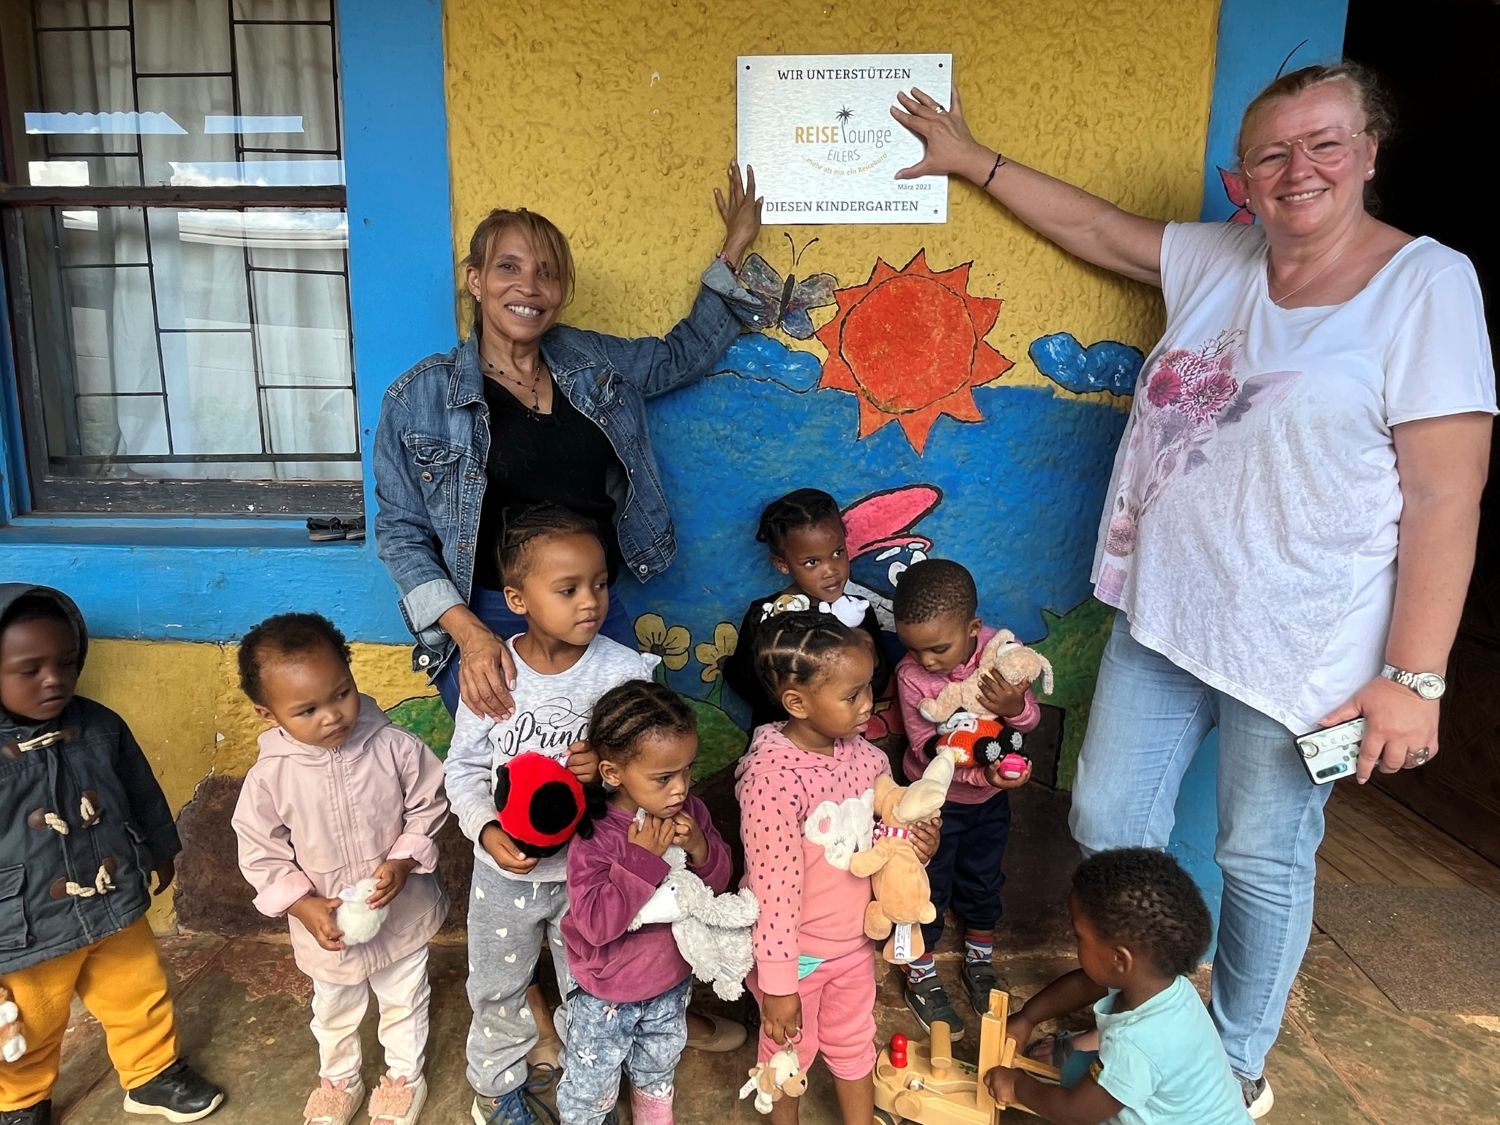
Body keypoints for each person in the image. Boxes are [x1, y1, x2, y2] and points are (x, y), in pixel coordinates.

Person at [892, 62, 1495, 1117]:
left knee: (1260, 852)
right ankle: (1140, 1000)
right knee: (1112, 815)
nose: (1298, 168)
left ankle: (1237, 1059)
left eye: (1324, 143)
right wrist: (971, 160)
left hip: (1304, 642)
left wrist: (1418, 677)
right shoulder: (1225, 256)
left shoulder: (1426, 285)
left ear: (1368, 153)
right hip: (1163, 611)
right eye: (1273, 152)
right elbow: (1102, 231)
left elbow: (1449, 494)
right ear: (1241, 178)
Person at [374, 165, 763, 722]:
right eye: (508, 267)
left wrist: (734, 249)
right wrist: (469, 635)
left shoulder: (591, 362)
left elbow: (680, 357)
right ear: (476, 279)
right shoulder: (420, 398)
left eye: (547, 274)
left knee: (625, 755)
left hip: (592, 609)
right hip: (487, 615)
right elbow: (401, 532)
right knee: (514, 779)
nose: (529, 287)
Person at [443, 504, 663, 1125]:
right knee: (495, 987)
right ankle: (495, 1086)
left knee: (592, 986)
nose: (589, 601)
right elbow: (461, 770)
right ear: (518, 598)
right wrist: (486, 831)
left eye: (598, 584)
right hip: (503, 877)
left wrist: (608, 772)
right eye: (567, 589)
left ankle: (586, 1083)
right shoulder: (492, 674)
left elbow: (650, 771)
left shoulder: (621, 672)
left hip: (589, 875)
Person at [0, 585, 223, 1125]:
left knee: (138, 989)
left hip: (111, 894)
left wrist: (161, 850)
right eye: (30, 669)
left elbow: (141, 792)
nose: (54, 679)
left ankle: (152, 1074)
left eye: (67, 663)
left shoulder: (100, 726)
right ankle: (20, 1099)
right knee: (32, 1016)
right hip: (26, 920)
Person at [231, 614, 449, 1125]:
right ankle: (339, 1078)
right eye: (306, 710)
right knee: (333, 1008)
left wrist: (402, 859)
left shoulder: (393, 746)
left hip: (401, 912)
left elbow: (429, 802)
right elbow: (260, 848)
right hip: (326, 926)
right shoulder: (271, 777)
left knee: (404, 998)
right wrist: (302, 905)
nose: (332, 716)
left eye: (341, 694)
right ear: (269, 714)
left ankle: (402, 1077)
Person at [736, 612, 939, 1125]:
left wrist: (919, 845)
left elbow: (884, 842)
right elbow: (773, 889)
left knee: (854, 1039)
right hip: (797, 955)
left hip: (853, 943)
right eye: (851, 696)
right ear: (797, 703)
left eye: (868, 688)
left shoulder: (867, 759)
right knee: (787, 1057)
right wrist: (779, 985)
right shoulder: (771, 779)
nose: (867, 705)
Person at [556, 680, 732, 1125]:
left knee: (657, 1067)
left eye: (687, 770)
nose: (680, 789)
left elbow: (712, 885)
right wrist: (641, 861)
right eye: (663, 777)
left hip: (670, 982)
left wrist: (700, 848)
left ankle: (652, 1112)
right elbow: (596, 924)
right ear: (613, 773)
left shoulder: (689, 813)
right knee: (590, 1089)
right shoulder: (596, 835)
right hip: (605, 995)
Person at [986, 848, 1249, 1124]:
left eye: (1079, 937)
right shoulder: (1158, 984)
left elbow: (1075, 1112)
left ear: (1119, 959)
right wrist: (1028, 1017)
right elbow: (1087, 985)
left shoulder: (1136, 1044)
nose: (1076, 943)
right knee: (1081, 1069)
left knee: (1082, 1094)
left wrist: (1017, 1085)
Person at [890, 559, 1038, 1034]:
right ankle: (921, 972)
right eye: (914, 649)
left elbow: (1028, 722)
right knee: (927, 885)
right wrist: (987, 779)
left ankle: (980, 959)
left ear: (974, 627)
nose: (927, 662)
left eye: (938, 649)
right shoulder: (912, 675)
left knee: (982, 878)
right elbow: (925, 747)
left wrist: (1014, 707)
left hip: (990, 803)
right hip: (933, 804)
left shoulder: (1001, 654)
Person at [723, 488, 891, 729]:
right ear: (782, 564)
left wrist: (871, 656)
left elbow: (878, 685)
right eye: (812, 562)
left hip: (845, 744)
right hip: (784, 742)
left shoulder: (859, 613)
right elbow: (739, 679)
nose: (831, 570)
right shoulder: (764, 617)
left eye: (837, 552)